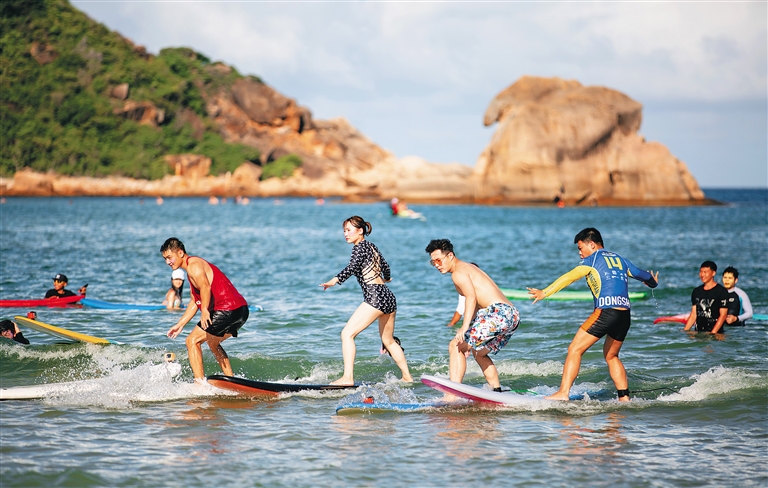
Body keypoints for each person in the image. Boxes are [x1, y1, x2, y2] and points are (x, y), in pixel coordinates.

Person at [528, 228, 658, 402]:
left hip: (606, 312)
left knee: (574, 349)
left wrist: (545, 292)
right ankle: (624, 398)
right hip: (624, 315)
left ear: (592, 244)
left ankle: (563, 393)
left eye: (581, 248)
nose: (580, 254)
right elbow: (643, 275)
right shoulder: (621, 260)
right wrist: (652, 283)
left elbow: (569, 277)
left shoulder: (592, 260)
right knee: (611, 356)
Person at [320, 216, 412, 385]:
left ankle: (348, 378)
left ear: (360, 231)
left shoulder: (359, 247)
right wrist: (387, 278)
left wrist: (335, 280)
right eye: (344, 231)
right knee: (389, 341)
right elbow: (386, 266)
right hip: (388, 297)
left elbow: (352, 267)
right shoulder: (372, 246)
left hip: (374, 297)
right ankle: (407, 376)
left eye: (349, 230)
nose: (345, 234)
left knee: (347, 334)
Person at [426, 239, 519, 391]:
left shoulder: (458, 273)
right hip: (512, 315)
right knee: (478, 352)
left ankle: (453, 394)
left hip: (499, 313)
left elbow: (471, 298)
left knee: (455, 345)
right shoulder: (467, 268)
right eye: (433, 262)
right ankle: (496, 390)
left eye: (438, 260)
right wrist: (471, 331)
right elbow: (476, 304)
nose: (436, 265)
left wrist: (464, 328)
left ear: (450, 256)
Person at [160, 237, 249, 382]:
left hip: (227, 310)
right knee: (212, 342)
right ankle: (231, 381)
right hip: (240, 311)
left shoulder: (194, 265)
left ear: (180, 253)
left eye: (169, 257)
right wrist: (180, 324)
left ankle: (199, 383)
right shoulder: (191, 270)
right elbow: (195, 301)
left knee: (192, 341)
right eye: (165, 259)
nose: (167, 262)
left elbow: (206, 287)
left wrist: (206, 310)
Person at [684, 261, 729, 334]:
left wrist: (713, 333)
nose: (702, 275)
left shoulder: (721, 291)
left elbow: (723, 315)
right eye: (701, 272)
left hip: (717, 333)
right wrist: (685, 331)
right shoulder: (696, 291)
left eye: (705, 272)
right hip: (699, 332)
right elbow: (693, 315)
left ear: (713, 273)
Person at [446, 263, 479, 328]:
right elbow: (460, 309)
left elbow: (460, 309)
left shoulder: (467, 289)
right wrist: (451, 324)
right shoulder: (466, 289)